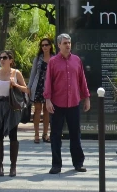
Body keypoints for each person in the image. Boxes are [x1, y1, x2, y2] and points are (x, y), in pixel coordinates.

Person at [44, 33, 90, 174]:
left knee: (75, 134)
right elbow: (48, 82)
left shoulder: (76, 60)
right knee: (56, 135)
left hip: (74, 104)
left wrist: (86, 97)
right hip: (57, 104)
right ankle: (56, 165)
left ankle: (78, 163)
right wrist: (48, 100)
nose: (68, 45)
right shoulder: (53, 62)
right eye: (65, 43)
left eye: (69, 42)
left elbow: (82, 80)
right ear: (58, 45)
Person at [0, 49, 28, 176]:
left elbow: (27, 90)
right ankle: (0, 165)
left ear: (11, 60)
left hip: (12, 107)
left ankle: (13, 166)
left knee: (13, 135)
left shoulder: (16, 73)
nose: (2, 60)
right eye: (0, 57)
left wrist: (15, 85)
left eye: (5, 57)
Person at [28, 37, 53, 143]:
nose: (44, 47)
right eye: (42, 45)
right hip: (38, 86)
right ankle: (36, 134)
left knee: (47, 110)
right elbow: (33, 73)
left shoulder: (55, 58)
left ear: (50, 46)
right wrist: (28, 87)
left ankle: (45, 134)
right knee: (37, 110)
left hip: (50, 87)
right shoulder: (38, 58)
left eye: (46, 45)